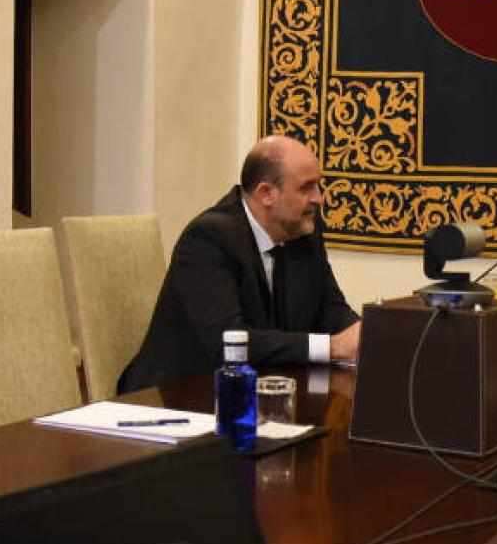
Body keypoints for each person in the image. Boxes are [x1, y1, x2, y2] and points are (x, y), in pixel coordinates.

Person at [118, 136, 362, 392]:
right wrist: (332, 347)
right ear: (266, 193)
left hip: (259, 391)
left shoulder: (302, 231)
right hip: (176, 397)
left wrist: (365, 335)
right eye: (306, 188)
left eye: (318, 186)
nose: (319, 198)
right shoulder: (208, 238)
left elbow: (330, 307)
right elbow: (227, 341)